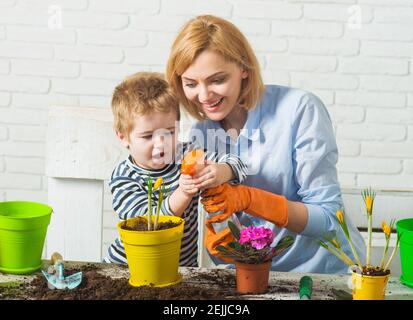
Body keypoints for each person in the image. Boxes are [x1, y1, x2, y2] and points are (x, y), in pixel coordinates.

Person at [166, 15, 365, 273]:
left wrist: (248, 198)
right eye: (191, 84)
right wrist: (220, 238)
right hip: (254, 276)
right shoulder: (201, 134)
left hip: (326, 274)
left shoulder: (299, 110)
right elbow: (216, 218)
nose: (203, 96)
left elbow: (329, 220)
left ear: (244, 69)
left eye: (217, 80)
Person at [104, 72, 247, 266]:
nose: (161, 143)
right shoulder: (124, 178)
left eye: (169, 132)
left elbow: (240, 162)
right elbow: (148, 225)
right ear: (123, 137)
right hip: (130, 267)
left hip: (181, 269)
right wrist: (183, 193)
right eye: (147, 136)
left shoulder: (187, 154)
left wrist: (223, 171)